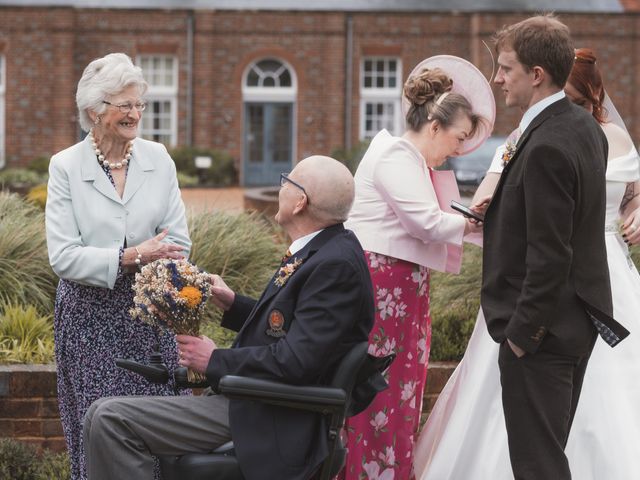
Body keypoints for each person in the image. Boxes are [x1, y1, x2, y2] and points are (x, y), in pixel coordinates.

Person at [414, 20, 632, 480]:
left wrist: (521, 337)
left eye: (505, 68)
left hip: (543, 337)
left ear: (537, 74)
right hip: (572, 326)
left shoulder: (548, 143)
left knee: (538, 466)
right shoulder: (581, 127)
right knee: (547, 457)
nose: (496, 78)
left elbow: (551, 254)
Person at [82, 155, 375, 480]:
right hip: (252, 400)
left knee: (111, 419)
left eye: (285, 182)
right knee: (99, 412)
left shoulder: (335, 266)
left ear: (300, 202)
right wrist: (233, 304)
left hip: (269, 415)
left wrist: (215, 360)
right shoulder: (323, 248)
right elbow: (295, 329)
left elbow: (295, 362)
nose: (280, 188)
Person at [339, 55, 495, 479]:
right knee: (382, 392)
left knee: (400, 389)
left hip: (401, 292)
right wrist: (474, 222)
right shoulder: (395, 157)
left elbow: (435, 218)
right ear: (434, 127)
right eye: (458, 137)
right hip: (384, 292)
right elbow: (425, 222)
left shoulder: (408, 159)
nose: (459, 149)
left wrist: (476, 223)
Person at [45, 52, 191, 480]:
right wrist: (130, 256)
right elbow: (63, 256)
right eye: (124, 105)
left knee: (156, 423)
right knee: (97, 426)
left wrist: (153, 261)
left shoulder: (158, 158)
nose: (135, 114)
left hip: (150, 314)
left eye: (138, 104)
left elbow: (178, 241)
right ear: (94, 110)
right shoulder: (66, 167)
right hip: (89, 318)